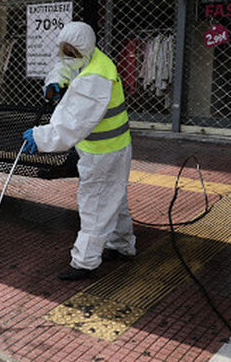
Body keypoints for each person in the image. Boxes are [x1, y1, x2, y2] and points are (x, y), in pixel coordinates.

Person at [22, 21, 135, 281]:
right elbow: (64, 66)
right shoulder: (91, 57)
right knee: (115, 197)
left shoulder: (96, 78)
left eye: (71, 52)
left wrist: (40, 136)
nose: (65, 56)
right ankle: (121, 245)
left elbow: (72, 124)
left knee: (95, 204)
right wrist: (54, 81)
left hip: (104, 152)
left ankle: (85, 262)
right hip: (110, 147)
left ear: (83, 50)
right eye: (63, 50)